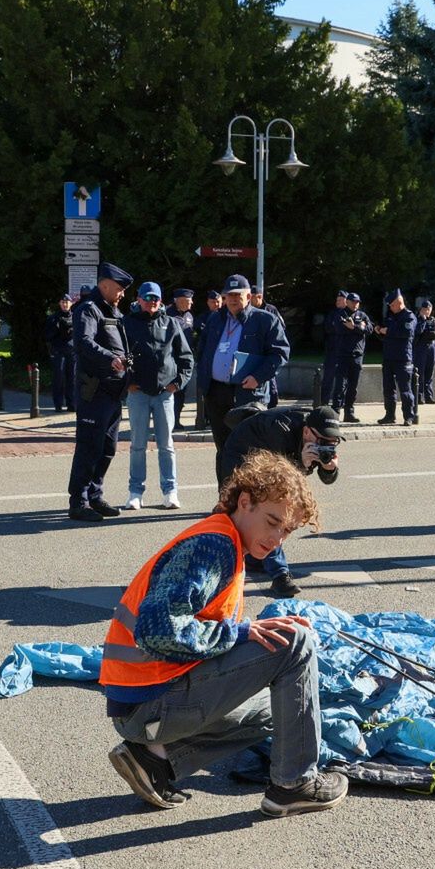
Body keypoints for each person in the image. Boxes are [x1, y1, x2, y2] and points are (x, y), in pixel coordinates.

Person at [101, 448, 347, 817]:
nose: (277, 539)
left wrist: (246, 633)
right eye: (272, 522)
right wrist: (240, 632)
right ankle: (293, 785)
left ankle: (156, 761)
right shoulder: (214, 546)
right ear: (244, 502)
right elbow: (157, 631)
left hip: (145, 704)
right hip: (149, 703)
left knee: (284, 710)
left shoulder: (225, 539)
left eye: (287, 531)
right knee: (295, 643)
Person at [217, 404, 341, 598]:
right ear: (307, 432)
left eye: (332, 442)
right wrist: (302, 463)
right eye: (323, 440)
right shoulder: (280, 431)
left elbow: (327, 480)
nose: (326, 445)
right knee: (264, 514)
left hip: (269, 460)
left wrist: (330, 469)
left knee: (265, 523)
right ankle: (280, 575)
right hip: (239, 453)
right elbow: (281, 485)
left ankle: (253, 560)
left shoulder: (316, 440)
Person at [69, 263, 134, 522]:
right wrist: (110, 358)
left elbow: (120, 345)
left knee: (107, 448)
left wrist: (128, 363)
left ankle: (95, 496)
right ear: (104, 285)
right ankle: (79, 501)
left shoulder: (112, 311)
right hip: (94, 391)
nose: (122, 294)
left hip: (113, 391)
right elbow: (83, 343)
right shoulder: (88, 309)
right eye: (119, 289)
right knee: (89, 448)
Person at [122, 281, 195, 511]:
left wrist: (177, 384)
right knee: (137, 445)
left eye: (155, 298)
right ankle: (135, 492)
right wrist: (127, 382)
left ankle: (170, 491)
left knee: (166, 445)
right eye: (147, 298)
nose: (151, 302)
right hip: (138, 394)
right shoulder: (127, 323)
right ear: (139, 300)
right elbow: (119, 356)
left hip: (164, 394)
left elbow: (186, 358)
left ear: (161, 301)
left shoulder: (171, 323)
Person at [195, 274, 291, 449]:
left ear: (248, 296)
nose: (233, 299)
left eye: (237, 295)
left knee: (249, 448)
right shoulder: (215, 319)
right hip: (216, 392)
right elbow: (202, 351)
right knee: (223, 448)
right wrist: (204, 377)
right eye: (229, 295)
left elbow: (279, 354)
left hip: (248, 393)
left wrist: (258, 377)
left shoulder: (265, 320)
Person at [372, 288, 419, 426]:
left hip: (403, 358)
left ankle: (408, 416)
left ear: (399, 302)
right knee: (388, 389)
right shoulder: (391, 316)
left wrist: (388, 331)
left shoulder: (409, 316)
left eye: (392, 305)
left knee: (405, 390)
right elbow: (386, 335)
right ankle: (389, 415)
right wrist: (379, 331)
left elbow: (406, 332)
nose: (391, 308)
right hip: (389, 357)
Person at [324, 291, 372, 424]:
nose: (356, 304)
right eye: (353, 302)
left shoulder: (362, 315)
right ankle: (335, 412)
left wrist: (354, 327)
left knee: (353, 386)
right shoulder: (340, 314)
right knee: (340, 385)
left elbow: (369, 329)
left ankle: (349, 412)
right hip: (343, 354)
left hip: (357, 355)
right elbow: (340, 329)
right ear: (348, 302)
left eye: (357, 302)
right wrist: (359, 328)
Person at [169, 287, 198, 429]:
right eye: (188, 300)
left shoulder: (189, 315)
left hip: (184, 359)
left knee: (181, 391)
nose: (191, 303)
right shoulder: (167, 314)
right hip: (171, 359)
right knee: (171, 392)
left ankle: (176, 420)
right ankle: (169, 421)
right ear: (179, 301)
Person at [45, 294, 76, 413]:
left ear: (71, 303)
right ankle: (58, 404)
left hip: (72, 352)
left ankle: (71, 404)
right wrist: (58, 330)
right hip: (58, 351)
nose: (65, 304)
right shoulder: (53, 318)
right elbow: (47, 336)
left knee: (72, 378)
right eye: (63, 302)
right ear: (59, 303)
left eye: (67, 302)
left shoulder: (75, 317)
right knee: (59, 378)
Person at [414, 297, 435, 405]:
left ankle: (428, 396)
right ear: (421, 310)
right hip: (421, 348)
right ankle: (419, 396)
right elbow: (417, 331)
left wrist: (434, 335)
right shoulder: (417, 320)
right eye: (425, 309)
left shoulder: (434, 321)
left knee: (429, 373)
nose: (427, 311)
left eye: (429, 309)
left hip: (432, 348)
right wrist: (423, 320)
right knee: (420, 373)